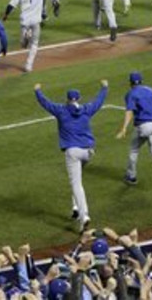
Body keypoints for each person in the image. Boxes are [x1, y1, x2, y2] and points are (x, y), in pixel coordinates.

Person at [34, 80, 108, 231]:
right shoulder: (86, 109)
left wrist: (37, 91)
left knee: (76, 184)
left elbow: (45, 103)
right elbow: (98, 102)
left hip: (73, 152)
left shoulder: (61, 110)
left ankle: (84, 215)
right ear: (79, 98)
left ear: (67, 99)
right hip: (88, 152)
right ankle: (75, 208)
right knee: (77, 180)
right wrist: (104, 88)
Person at [115, 72, 152, 186]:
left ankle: (131, 176)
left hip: (144, 125)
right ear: (142, 81)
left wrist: (124, 128)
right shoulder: (151, 91)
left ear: (130, 82)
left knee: (134, 150)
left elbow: (129, 111)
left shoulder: (131, 93)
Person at [2, 0, 50, 73]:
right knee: (34, 44)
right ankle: (28, 65)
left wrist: (6, 15)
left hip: (25, 21)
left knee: (23, 45)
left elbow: (11, 5)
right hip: (36, 21)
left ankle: (25, 36)